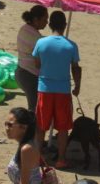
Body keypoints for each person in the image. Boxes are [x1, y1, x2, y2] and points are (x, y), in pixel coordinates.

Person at [32, 11, 81, 168]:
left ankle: (38, 158)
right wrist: (78, 86)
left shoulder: (41, 43)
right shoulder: (71, 45)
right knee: (63, 127)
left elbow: (37, 64)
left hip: (44, 89)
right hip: (63, 91)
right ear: (65, 25)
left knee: (41, 126)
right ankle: (61, 159)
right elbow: (75, 68)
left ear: (50, 24)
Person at [15, 5, 49, 112]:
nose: (47, 22)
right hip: (29, 75)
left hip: (23, 72)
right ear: (36, 19)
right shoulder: (32, 35)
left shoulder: (26, 29)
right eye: (45, 19)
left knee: (34, 107)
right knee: (34, 109)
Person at [5, 107, 41, 184]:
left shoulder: (27, 149)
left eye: (10, 125)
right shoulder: (28, 141)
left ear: (23, 127)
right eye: (6, 124)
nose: (6, 128)